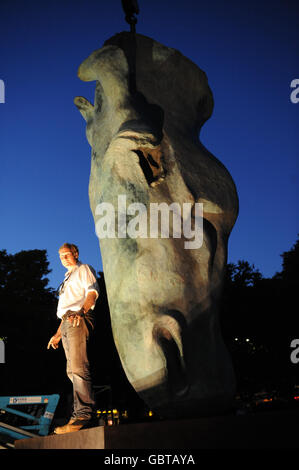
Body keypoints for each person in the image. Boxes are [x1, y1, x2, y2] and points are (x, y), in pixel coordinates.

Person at [47, 243, 99, 434]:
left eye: (67, 255)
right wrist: (57, 335)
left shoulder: (83, 269)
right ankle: (78, 414)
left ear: (75, 253)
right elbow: (65, 312)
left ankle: (84, 415)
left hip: (79, 317)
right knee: (71, 370)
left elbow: (92, 293)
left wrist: (81, 312)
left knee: (78, 367)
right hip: (68, 320)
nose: (64, 259)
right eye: (61, 256)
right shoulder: (67, 278)